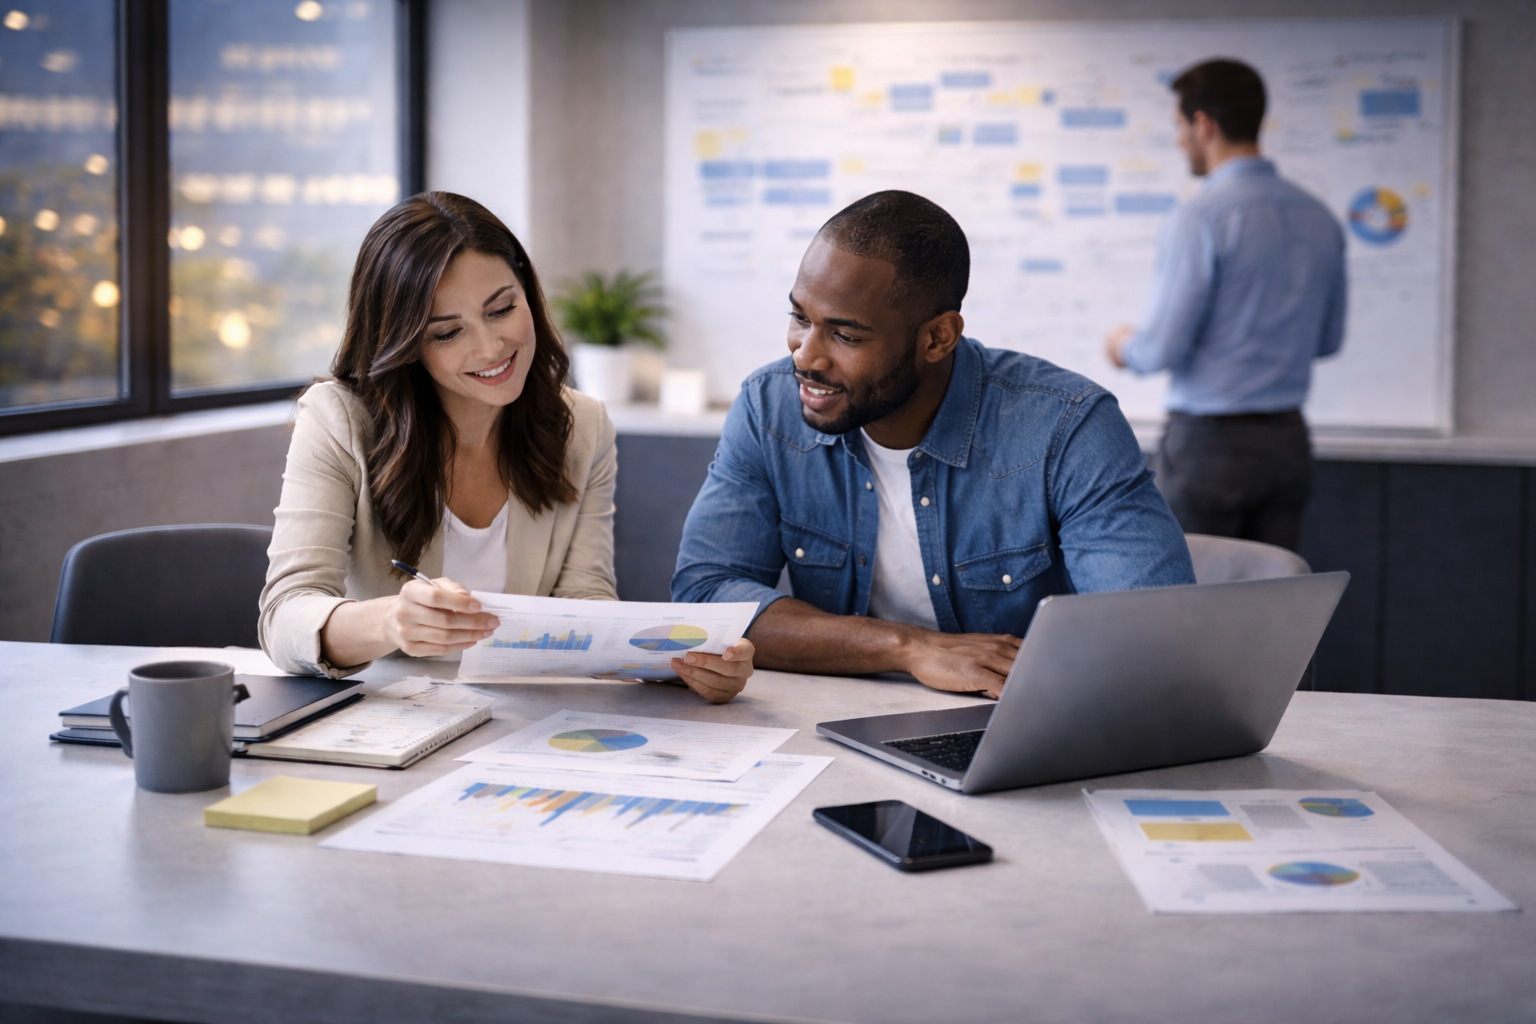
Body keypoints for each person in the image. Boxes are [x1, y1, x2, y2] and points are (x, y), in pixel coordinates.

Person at [671, 190, 1194, 699]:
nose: (806, 357)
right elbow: (705, 594)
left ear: (938, 338)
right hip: (838, 717)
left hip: (1016, 722)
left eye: (845, 336)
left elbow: (1151, 636)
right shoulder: (769, 408)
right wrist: (908, 648)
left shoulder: (1067, 426)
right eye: (801, 318)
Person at [260, 192, 753, 703]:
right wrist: (390, 622)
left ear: (527, 292)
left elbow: (584, 602)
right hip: (386, 715)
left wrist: (675, 663)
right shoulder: (339, 419)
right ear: (404, 344)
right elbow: (284, 615)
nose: (491, 348)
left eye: (502, 309)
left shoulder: (581, 426)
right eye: (448, 333)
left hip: (520, 721)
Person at [1105, 58, 1346, 552]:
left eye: (1178, 125)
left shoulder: (1200, 217)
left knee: (1191, 609)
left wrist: (1122, 345)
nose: (1177, 140)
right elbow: (1327, 340)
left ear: (1203, 124)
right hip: (1287, 442)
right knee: (1273, 608)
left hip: (1210, 447)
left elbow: (1158, 352)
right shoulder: (1319, 216)